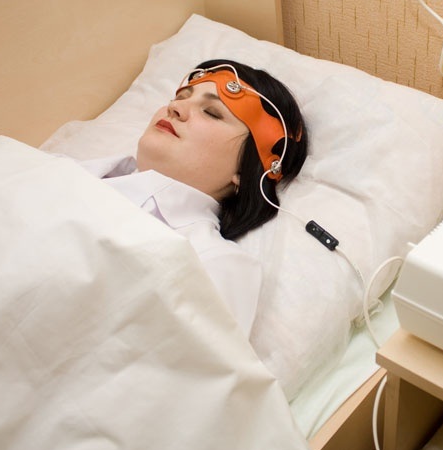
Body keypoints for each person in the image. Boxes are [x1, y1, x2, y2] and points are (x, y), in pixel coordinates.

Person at [78, 59, 308, 334]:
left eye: (212, 112)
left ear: (247, 171)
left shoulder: (214, 265)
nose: (175, 108)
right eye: (180, 97)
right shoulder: (67, 170)